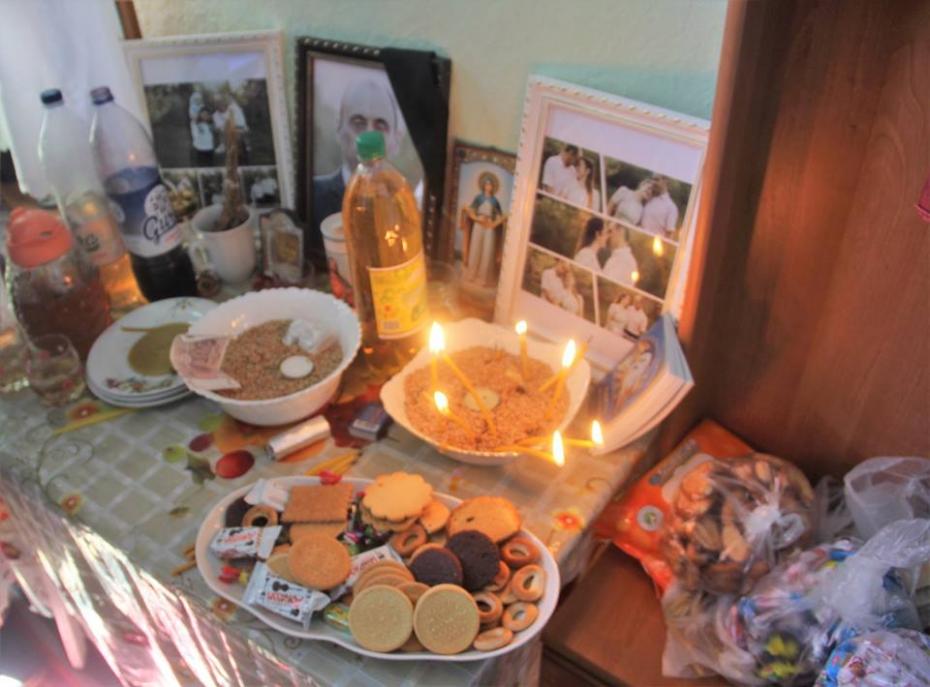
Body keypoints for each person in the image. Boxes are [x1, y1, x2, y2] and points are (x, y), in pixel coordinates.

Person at [313, 77, 404, 237]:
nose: (368, 134)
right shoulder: (314, 195)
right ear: (338, 129)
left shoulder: (404, 204)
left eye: (380, 125)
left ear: (395, 141)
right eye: (358, 122)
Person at [462, 172, 505, 287]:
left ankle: (483, 278)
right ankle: (471, 275)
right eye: (486, 184)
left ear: (493, 187)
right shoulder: (478, 198)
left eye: (490, 185)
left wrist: (494, 223)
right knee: (475, 248)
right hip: (478, 224)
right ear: (483, 185)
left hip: (489, 226)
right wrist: (476, 218)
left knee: (487, 250)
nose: (488, 187)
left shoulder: (495, 201)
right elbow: (471, 211)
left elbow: (500, 216)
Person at [213, 92, 250, 162]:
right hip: (227, 130)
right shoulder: (215, 115)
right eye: (217, 103)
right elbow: (220, 127)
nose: (220, 104)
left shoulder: (233, 108)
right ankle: (223, 145)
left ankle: (246, 145)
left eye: (221, 102)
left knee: (243, 131)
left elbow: (241, 120)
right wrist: (228, 128)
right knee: (222, 130)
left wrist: (243, 127)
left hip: (238, 128)